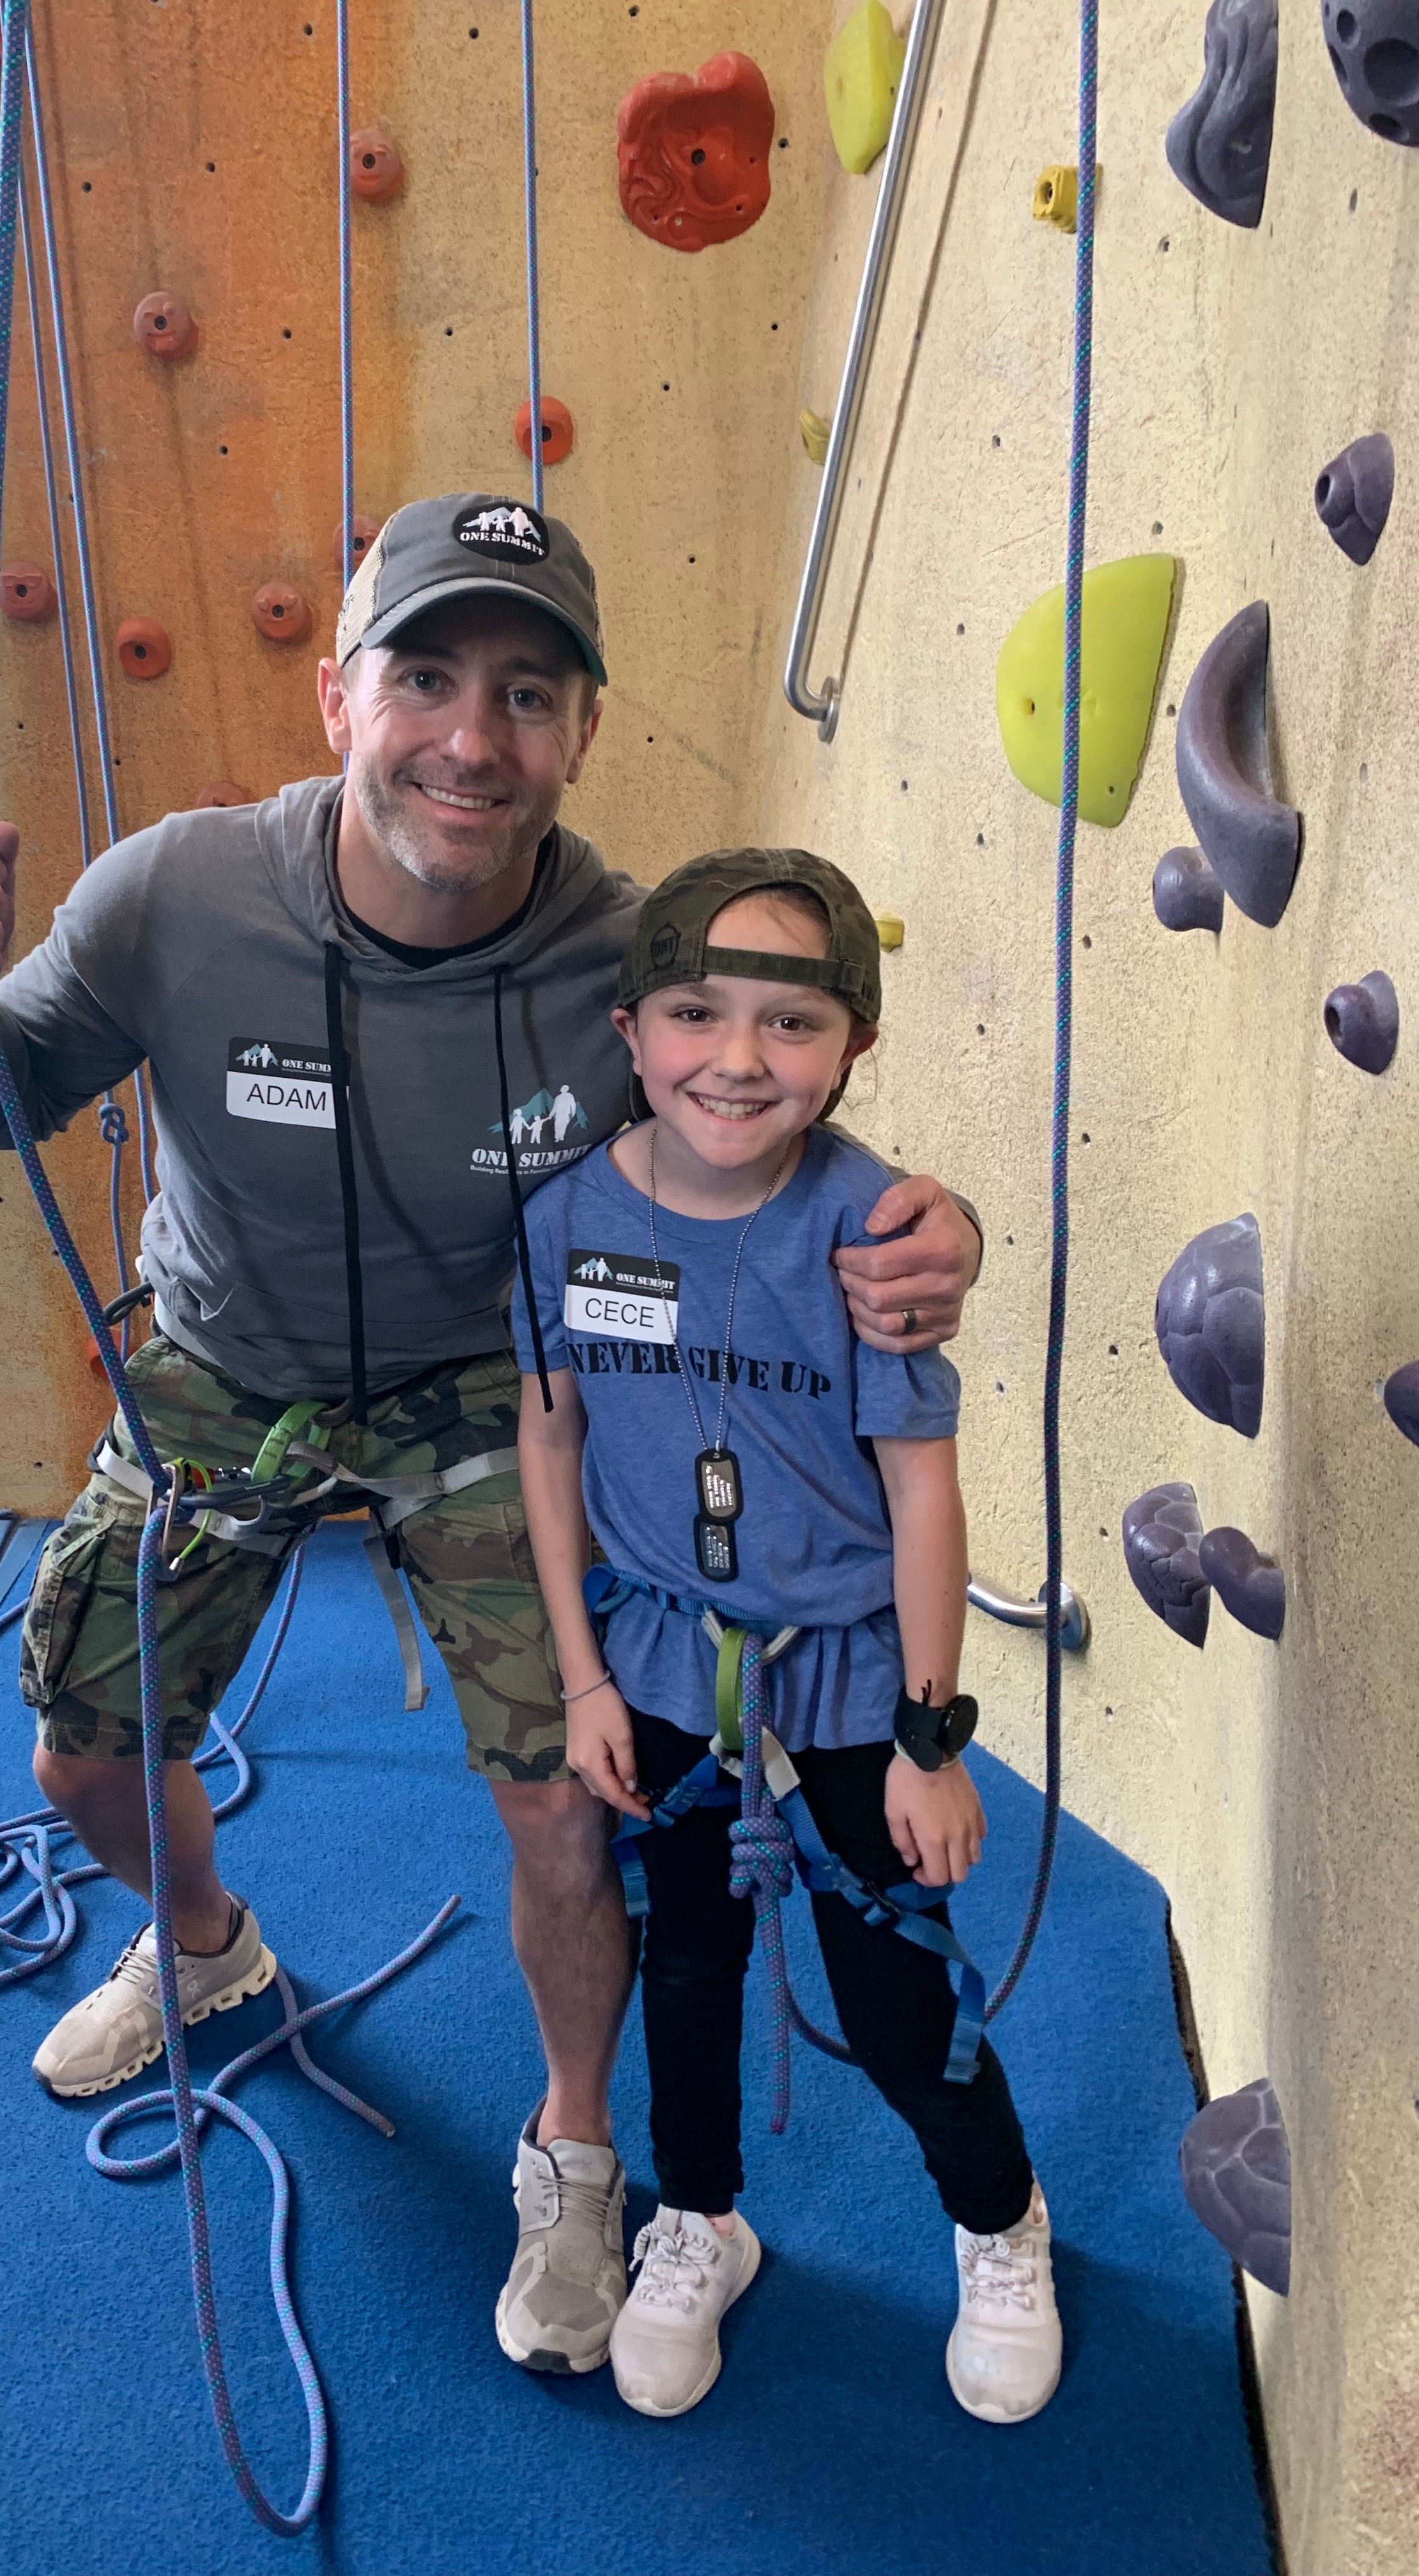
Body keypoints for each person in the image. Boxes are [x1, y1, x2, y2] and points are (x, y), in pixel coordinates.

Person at [0, 493, 986, 2377]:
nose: (474, 739)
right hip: (227, 1366)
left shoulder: (622, 956)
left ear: (579, 732)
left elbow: (768, 1123)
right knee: (84, 1760)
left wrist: (932, 1229)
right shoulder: (174, 891)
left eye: (531, 693)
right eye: (427, 676)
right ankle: (212, 1941)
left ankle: (574, 2151)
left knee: (576, 1797)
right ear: (338, 696)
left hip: (498, 1395)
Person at [512, 848, 1061, 2425]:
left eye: (793, 1024)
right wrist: (587, 1673)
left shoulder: (875, 1232)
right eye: (697, 1013)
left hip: (849, 1682)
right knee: (685, 1964)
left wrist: (927, 1739)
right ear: (631, 1028)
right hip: (666, 1666)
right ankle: (699, 2216)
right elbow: (551, 1443)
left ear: (855, 1046)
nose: (739, 1061)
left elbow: (927, 1498)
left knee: (897, 1991)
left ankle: (998, 2218)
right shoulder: (565, 1224)